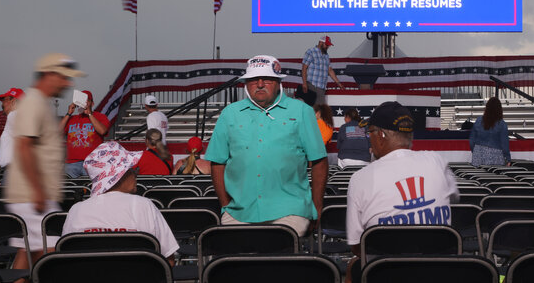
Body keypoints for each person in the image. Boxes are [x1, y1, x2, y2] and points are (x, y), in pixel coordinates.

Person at [205, 55, 327, 236]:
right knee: (237, 260)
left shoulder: (302, 111)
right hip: (239, 211)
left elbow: (319, 161)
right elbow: (217, 162)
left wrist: (316, 207)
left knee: (278, 255)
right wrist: (225, 205)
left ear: (278, 82)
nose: (260, 84)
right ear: (246, 84)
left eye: (267, 79)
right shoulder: (230, 114)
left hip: (291, 210)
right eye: (254, 79)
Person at [345, 101, 459, 282]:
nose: (369, 138)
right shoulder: (437, 161)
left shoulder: (360, 178)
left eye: (370, 132)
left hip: (385, 275)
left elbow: (357, 247)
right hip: (438, 272)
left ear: (381, 135)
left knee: (353, 265)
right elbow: (454, 201)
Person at [5, 53, 86, 273]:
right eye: (64, 77)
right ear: (50, 74)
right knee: (51, 262)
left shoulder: (38, 103)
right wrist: (38, 191)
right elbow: (24, 147)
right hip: (34, 197)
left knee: (26, 260)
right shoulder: (34, 103)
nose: (68, 83)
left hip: (33, 196)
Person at [64, 141, 180, 264]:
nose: (136, 174)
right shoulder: (145, 206)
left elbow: (67, 261)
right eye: (131, 169)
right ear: (120, 175)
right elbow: (168, 260)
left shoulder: (75, 211)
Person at [61, 90, 109, 178]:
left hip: (92, 162)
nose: (84, 103)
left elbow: (102, 131)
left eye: (87, 101)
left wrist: (90, 114)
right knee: (69, 189)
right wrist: (68, 113)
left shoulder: (100, 117)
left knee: (90, 188)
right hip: (71, 163)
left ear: (92, 103)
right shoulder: (72, 119)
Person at [301, 35, 346, 106]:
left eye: (328, 45)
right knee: (318, 108)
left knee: (318, 109)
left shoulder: (326, 56)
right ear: (320, 42)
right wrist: (304, 84)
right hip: (312, 85)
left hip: (321, 87)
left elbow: (330, 70)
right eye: (326, 45)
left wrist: (339, 83)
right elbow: (304, 68)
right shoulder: (311, 52)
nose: (328, 47)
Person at [469, 97, 511, 166]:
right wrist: (508, 159)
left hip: (478, 153)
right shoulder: (502, 124)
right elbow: (504, 145)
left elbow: (471, 141)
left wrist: (476, 151)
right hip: (496, 155)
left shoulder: (479, 120)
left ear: (487, 108)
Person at [0, 88, 23, 169]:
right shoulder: (16, 116)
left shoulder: (14, 116)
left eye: (5, 100)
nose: (2, 104)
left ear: (13, 101)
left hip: (14, 168)